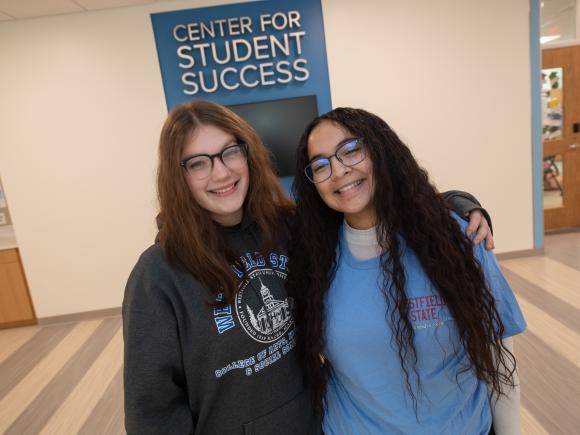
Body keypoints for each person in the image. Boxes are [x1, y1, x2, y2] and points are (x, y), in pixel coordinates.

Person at [122, 100, 495, 434]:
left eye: (229, 153)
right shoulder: (158, 276)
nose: (221, 173)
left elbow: (365, 202)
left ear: (248, 156)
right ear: (178, 176)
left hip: (318, 424)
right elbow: (152, 411)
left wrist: (459, 205)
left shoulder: (289, 228)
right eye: (199, 163)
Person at [288, 107, 526, 435]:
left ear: (380, 151)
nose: (339, 171)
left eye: (351, 150)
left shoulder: (457, 238)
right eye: (321, 165)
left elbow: (500, 360)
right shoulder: (312, 260)